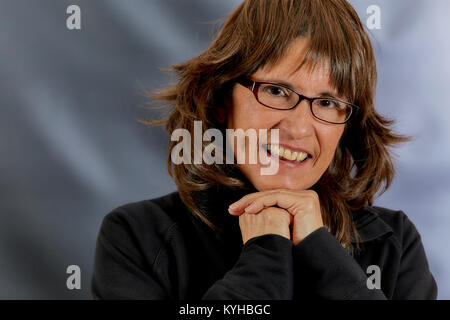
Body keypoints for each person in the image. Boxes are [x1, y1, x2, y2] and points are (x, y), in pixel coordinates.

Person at [91, 0, 437, 299]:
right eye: (275, 91)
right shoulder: (139, 237)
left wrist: (320, 248)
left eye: (329, 102)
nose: (299, 127)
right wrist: (266, 251)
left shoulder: (394, 244)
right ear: (222, 99)